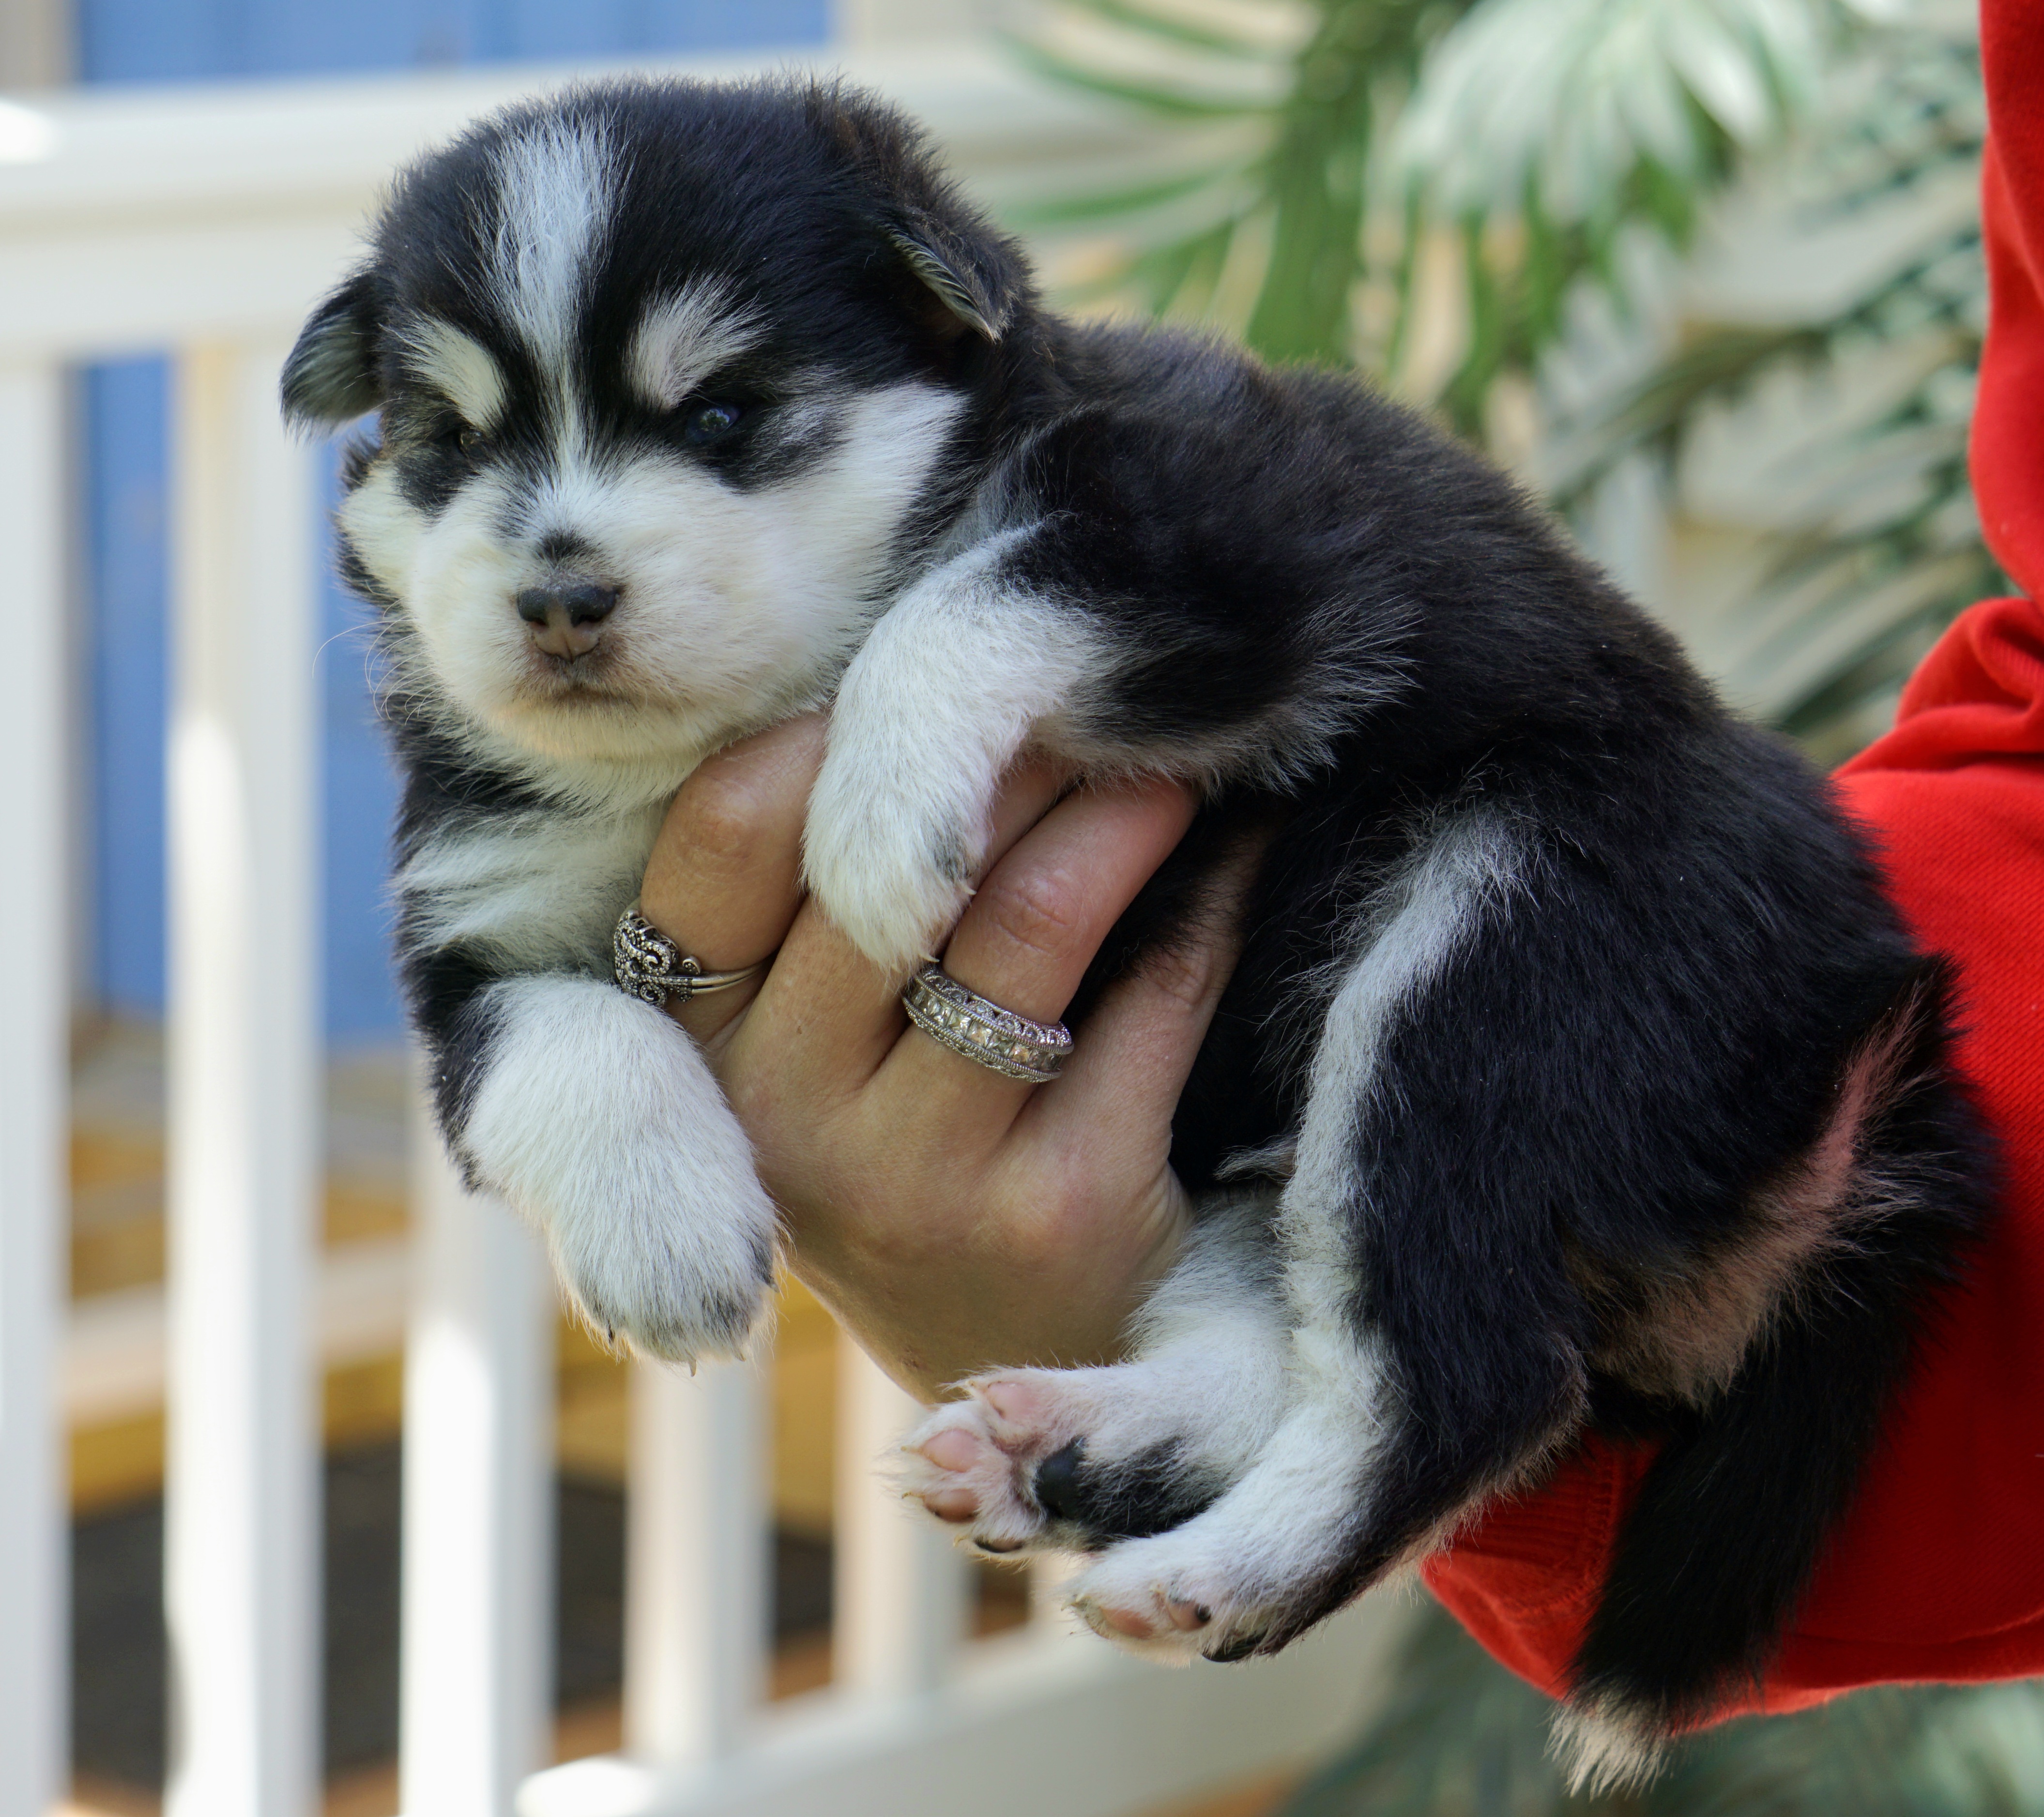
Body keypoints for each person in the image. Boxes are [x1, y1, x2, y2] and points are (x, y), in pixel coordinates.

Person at [631, 0, 2044, 1719]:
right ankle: (1227, 1403)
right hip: (1572, 1039)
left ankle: (1352, 1467)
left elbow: (1205, 589)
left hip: (1576, 840)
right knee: (1320, 1160)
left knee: (1419, 1060)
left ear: (945, 310)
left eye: (725, 420)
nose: (585, 552)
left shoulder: (1109, 470)